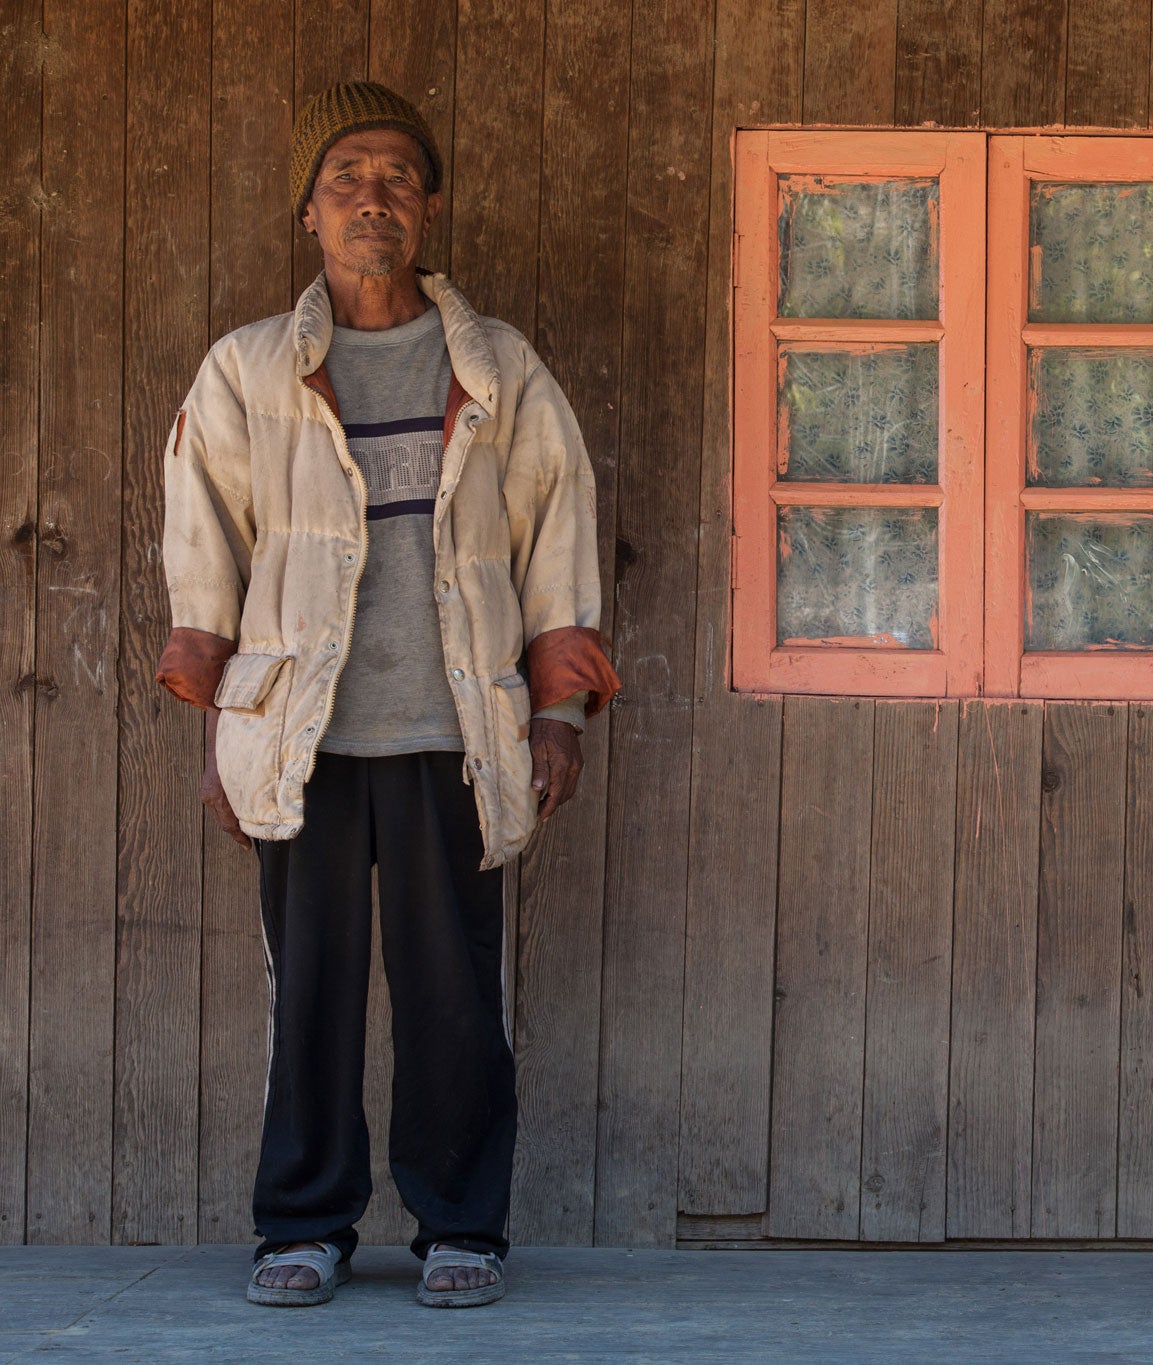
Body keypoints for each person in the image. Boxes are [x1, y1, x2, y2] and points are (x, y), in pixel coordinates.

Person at [154, 81, 620, 1309]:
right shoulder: (248, 372)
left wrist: (556, 712)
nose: (374, 198)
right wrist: (223, 740)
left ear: (429, 213)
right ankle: (300, 1226)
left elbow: (557, 539)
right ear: (309, 210)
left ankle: (461, 1225)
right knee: (306, 994)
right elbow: (205, 558)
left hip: (453, 734)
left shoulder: (498, 366)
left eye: (399, 180)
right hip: (299, 742)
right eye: (349, 178)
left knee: (453, 997)